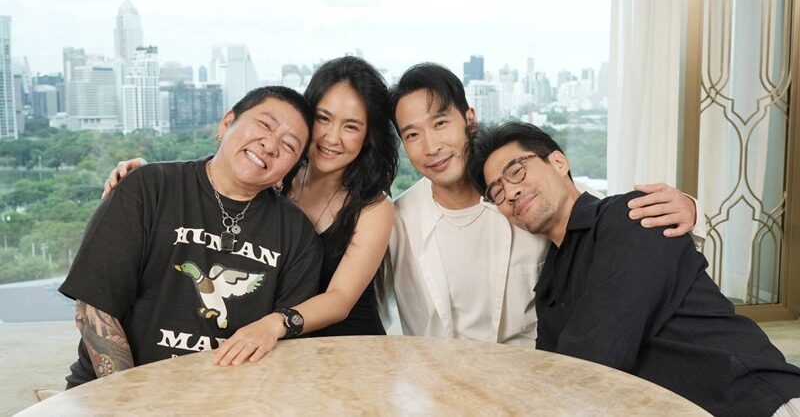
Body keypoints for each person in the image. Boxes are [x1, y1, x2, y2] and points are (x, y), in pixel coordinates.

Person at [467, 121, 800, 416]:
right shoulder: (550, 284)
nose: (511, 192)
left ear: (558, 162)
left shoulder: (633, 216)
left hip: (757, 401)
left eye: (516, 171)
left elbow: (592, 357)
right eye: (497, 191)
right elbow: (552, 372)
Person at [378, 63, 703, 346]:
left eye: (440, 124)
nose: (431, 146)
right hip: (439, 383)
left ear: (469, 120)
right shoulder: (396, 221)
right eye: (413, 135)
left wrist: (689, 208)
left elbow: (604, 216)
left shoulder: (524, 193)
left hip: (534, 377)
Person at [103, 57, 397, 351]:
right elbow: (219, 177)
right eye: (323, 118)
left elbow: (340, 300)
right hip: (271, 348)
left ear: (368, 137)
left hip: (349, 347)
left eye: (351, 127)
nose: (332, 137)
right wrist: (145, 176)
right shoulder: (275, 175)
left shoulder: (373, 207)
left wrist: (273, 324)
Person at [59, 86, 324, 388]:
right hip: (114, 391)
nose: (270, 145)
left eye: (289, 146)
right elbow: (95, 309)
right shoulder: (149, 188)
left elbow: (285, 345)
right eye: (264, 124)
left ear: (289, 169)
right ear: (226, 123)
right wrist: (127, 397)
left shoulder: (297, 234)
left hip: (229, 396)